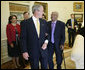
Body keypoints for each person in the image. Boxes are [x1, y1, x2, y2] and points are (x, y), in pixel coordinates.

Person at [20, 5, 49, 69]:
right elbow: (23, 38)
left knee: (45, 67)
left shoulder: (44, 22)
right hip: (32, 52)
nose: (43, 13)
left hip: (43, 51)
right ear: (36, 11)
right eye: (42, 11)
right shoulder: (25, 23)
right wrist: (24, 51)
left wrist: (46, 42)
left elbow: (47, 34)